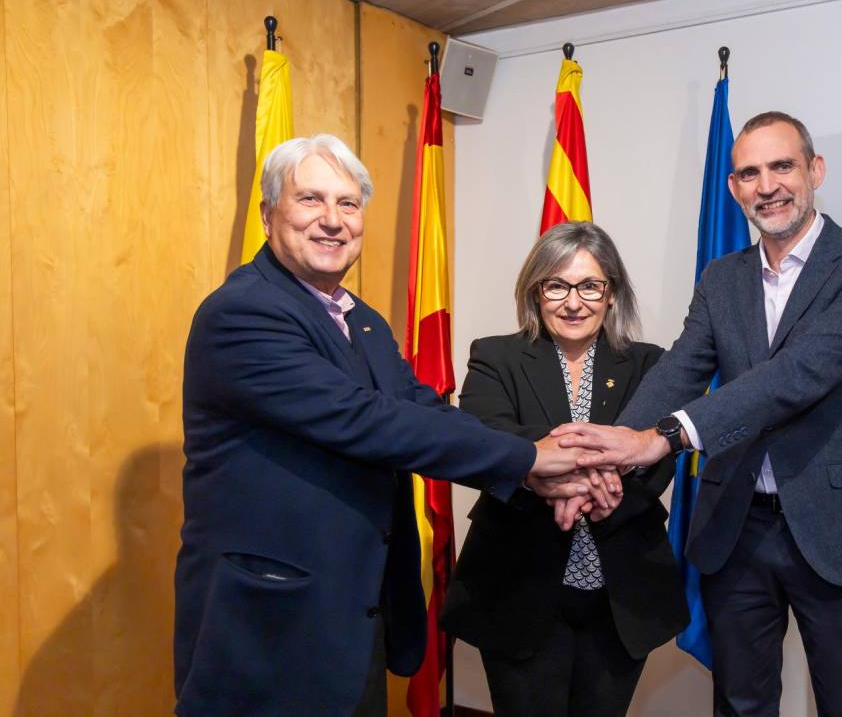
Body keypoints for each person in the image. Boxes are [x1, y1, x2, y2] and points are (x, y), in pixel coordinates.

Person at [173, 135, 598, 717]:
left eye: (348, 204)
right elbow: (366, 420)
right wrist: (532, 461)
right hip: (269, 620)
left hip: (353, 612)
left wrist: (534, 462)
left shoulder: (360, 318)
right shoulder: (243, 313)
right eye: (311, 200)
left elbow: (420, 407)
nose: (332, 221)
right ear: (270, 213)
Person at [555, 112, 842, 715]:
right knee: (739, 703)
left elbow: (796, 376)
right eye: (749, 173)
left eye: (782, 166)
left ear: (815, 171)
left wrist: (664, 438)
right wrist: (613, 451)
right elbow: (680, 368)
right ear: (733, 189)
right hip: (738, 527)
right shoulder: (722, 277)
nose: (767, 185)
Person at [441, 222, 688, 717]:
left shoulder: (648, 364)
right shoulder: (495, 356)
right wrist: (577, 475)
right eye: (557, 285)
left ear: (611, 293)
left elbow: (660, 455)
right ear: (536, 292)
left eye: (590, 285)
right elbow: (486, 439)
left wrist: (598, 486)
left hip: (622, 595)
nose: (573, 302)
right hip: (518, 589)